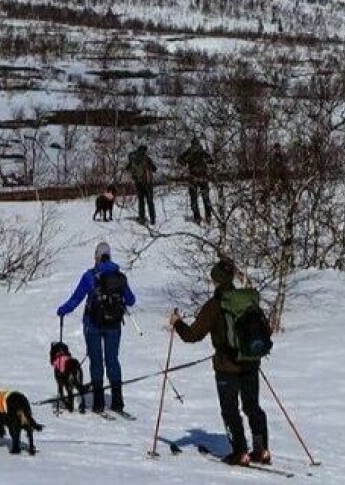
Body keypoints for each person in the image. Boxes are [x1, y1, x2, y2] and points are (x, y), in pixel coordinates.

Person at [170, 258, 270, 467]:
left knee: (230, 409)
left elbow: (193, 335)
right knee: (252, 406)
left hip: (227, 365)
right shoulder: (247, 299)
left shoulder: (215, 305)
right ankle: (261, 450)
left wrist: (177, 323)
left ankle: (240, 452)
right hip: (251, 361)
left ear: (215, 280)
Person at [56, 241, 136, 413]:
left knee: (96, 362)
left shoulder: (90, 276)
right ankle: (117, 401)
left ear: (96, 256)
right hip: (114, 325)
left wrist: (63, 310)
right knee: (113, 361)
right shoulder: (119, 277)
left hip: (92, 324)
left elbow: (76, 299)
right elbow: (131, 300)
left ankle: (98, 402)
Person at [178, 136, 213, 224]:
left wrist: (185, 164)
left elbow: (179, 160)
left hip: (192, 178)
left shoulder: (189, 151)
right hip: (203, 177)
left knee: (193, 198)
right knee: (206, 198)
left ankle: (197, 217)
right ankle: (208, 217)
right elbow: (212, 161)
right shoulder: (202, 151)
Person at [127, 144, 157, 225]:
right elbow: (154, 169)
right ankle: (153, 219)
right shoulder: (146, 158)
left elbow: (128, 168)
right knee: (150, 201)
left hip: (138, 182)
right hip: (147, 182)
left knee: (141, 201)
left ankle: (142, 218)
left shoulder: (133, 158)